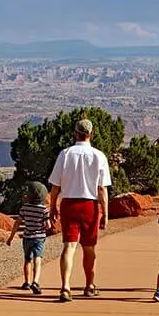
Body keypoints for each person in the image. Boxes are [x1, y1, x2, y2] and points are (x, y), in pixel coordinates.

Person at [48, 118, 111, 302]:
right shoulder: (99, 156)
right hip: (90, 206)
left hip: (69, 204)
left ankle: (65, 287)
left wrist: (53, 206)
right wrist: (105, 212)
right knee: (89, 247)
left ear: (75, 133)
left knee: (69, 246)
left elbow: (55, 186)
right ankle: (90, 285)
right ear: (91, 134)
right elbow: (102, 188)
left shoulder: (65, 154)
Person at [6, 181, 51, 295]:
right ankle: (35, 281)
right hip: (39, 238)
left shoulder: (24, 208)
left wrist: (11, 237)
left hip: (27, 237)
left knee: (27, 260)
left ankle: (27, 282)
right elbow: (48, 225)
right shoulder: (43, 209)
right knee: (38, 258)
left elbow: (17, 222)